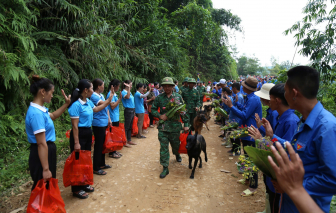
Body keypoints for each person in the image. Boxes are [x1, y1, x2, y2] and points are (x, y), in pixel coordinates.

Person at [261, 66, 336, 213]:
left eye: (286, 91)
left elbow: (332, 179)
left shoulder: (327, 127)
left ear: (294, 93)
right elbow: (296, 149)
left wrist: (293, 187)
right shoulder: (306, 120)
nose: (285, 95)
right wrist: (273, 137)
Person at [249, 83, 299, 213]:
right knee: (272, 200)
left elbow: (287, 151)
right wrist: (264, 137)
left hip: (280, 176)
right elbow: (273, 141)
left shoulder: (291, 121)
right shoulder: (280, 117)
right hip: (274, 173)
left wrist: (263, 139)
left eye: (269, 98)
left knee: (276, 203)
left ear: (276, 100)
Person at [68, 79, 112, 199]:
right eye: (92, 88)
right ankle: (76, 189)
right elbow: (75, 126)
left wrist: (108, 101)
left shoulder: (87, 101)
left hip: (87, 132)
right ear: (86, 90)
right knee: (78, 161)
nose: (93, 90)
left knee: (85, 159)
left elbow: (97, 109)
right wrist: (76, 142)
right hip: (79, 134)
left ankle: (84, 183)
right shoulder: (76, 105)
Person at [26, 75, 70, 190]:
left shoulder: (41, 109)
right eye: (51, 92)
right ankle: (41, 208)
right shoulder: (36, 114)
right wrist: (45, 169)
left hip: (46, 151)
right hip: (41, 153)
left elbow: (53, 116)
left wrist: (66, 104)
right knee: (42, 186)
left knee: (47, 186)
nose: (52, 95)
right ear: (43, 92)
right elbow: (41, 143)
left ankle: (47, 207)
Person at [222, 76, 262, 196]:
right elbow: (244, 110)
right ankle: (248, 179)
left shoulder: (254, 99)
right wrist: (234, 104)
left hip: (251, 133)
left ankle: (253, 186)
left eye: (244, 85)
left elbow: (244, 115)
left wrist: (231, 106)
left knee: (251, 159)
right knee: (246, 156)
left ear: (246, 87)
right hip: (245, 131)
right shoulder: (249, 98)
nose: (242, 86)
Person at [268, 142, 323, 213]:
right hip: (288, 203)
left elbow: (331, 180)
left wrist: (291, 187)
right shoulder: (301, 130)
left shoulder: (325, 133)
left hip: (307, 203)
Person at [151, 77, 190, 178]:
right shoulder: (159, 98)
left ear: (173, 86)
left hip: (175, 127)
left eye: (169, 86)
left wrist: (186, 125)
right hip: (163, 127)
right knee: (163, 147)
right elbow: (153, 109)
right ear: (162, 87)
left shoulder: (178, 97)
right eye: (165, 86)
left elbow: (183, 111)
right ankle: (165, 167)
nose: (167, 88)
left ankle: (177, 154)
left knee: (176, 146)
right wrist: (160, 116)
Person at [90, 78, 112, 176]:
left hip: (104, 122)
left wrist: (109, 119)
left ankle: (102, 163)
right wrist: (110, 97)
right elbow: (104, 104)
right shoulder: (94, 96)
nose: (103, 87)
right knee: (98, 145)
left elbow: (106, 108)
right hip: (98, 123)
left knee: (103, 144)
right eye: (102, 85)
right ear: (98, 86)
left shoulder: (102, 95)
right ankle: (96, 167)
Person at [106, 79, 123, 159]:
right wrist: (119, 99)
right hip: (112, 118)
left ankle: (114, 150)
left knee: (115, 135)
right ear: (115, 86)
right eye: (118, 86)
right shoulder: (110, 94)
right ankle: (111, 152)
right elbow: (112, 106)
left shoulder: (113, 94)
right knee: (112, 135)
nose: (119, 88)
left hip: (115, 117)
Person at [121, 80, 137, 147]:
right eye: (130, 84)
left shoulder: (129, 92)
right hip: (128, 110)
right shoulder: (123, 92)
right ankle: (125, 141)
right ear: (126, 85)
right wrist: (129, 89)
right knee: (127, 126)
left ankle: (129, 140)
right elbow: (127, 97)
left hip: (132, 110)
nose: (131, 86)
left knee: (130, 126)